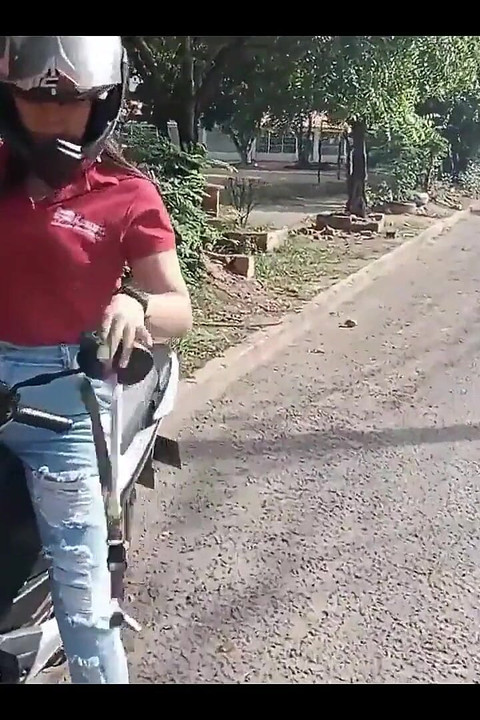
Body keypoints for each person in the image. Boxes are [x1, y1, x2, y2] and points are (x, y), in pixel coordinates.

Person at [0, 36, 192, 683]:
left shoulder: (126, 194)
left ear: (102, 103)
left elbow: (178, 309)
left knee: (85, 608)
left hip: (63, 404)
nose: (51, 117)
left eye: (71, 102)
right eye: (34, 100)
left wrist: (136, 304)